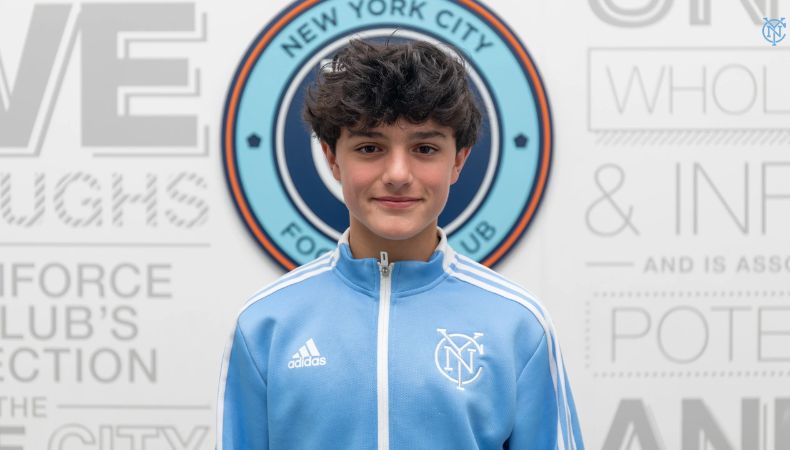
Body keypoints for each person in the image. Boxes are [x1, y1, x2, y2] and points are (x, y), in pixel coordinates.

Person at [216, 38, 584, 450]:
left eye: (424, 148)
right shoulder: (266, 324)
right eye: (370, 148)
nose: (397, 174)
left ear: (458, 160)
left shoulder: (518, 325)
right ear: (333, 159)